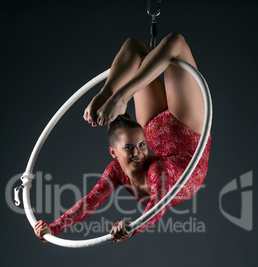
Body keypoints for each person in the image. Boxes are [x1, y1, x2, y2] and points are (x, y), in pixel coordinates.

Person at [34, 33, 211, 244]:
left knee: (165, 44)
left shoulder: (158, 169)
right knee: (149, 49)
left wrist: (132, 227)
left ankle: (117, 95)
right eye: (128, 147)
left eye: (140, 145)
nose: (138, 153)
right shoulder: (116, 171)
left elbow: (157, 206)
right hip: (187, 133)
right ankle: (112, 92)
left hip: (169, 134)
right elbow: (89, 203)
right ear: (113, 153)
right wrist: (52, 228)